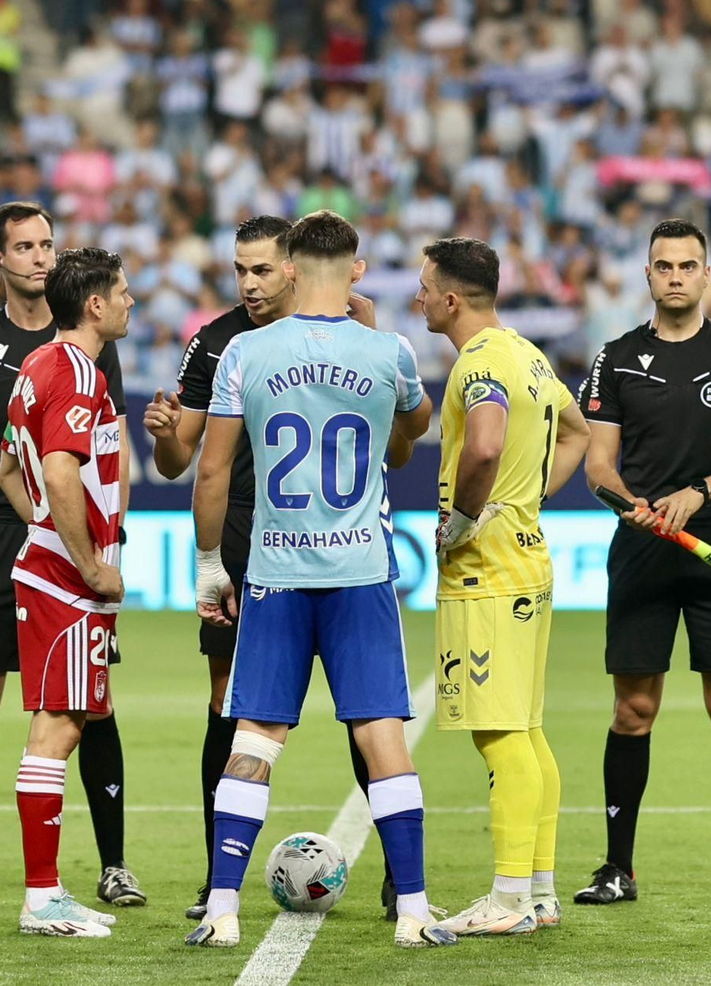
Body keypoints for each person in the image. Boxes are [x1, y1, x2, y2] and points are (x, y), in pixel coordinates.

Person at [186, 211, 451, 950]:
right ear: (357, 270)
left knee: (254, 737)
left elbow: (211, 471)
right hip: (360, 572)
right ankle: (414, 910)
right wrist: (378, 362)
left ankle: (221, 909)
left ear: (290, 269)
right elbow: (415, 425)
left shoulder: (245, 350)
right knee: (382, 737)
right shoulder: (388, 350)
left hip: (274, 571)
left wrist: (209, 566)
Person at [142, 214, 396, 921]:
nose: (249, 284)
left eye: (261, 269)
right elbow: (182, 461)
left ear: (293, 268)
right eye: (239, 270)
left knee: (363, 711)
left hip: (332, 536)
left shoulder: (351, 325)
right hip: (243, 530)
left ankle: (394, 872)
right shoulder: (217, 342)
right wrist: (164, 436)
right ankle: (215, 874)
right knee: (228, 700)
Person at [0, 202, 143, 909]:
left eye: (47, 244)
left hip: (61, 531)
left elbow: (113, 445)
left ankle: (113, 864)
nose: (41, 256)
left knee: (91, 704)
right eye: (25, 246)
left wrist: (108, 534)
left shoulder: (85, 344)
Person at [577, 219, 711, 908]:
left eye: (687, 265)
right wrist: (627, 503)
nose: (675, 276)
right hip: (642, 547)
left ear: (706, 275)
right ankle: (617, 868)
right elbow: (598, 465)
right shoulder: (615, 358)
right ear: (648, 275)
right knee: (633, 710)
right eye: (663, 265)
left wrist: (699, 492)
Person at [415, 237, 590, 936]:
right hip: (528, 561)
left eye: (425, 286)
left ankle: (510, 898)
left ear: (452, 298)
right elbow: (577, 432)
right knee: (527, 730)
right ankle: (539, 892)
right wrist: (526, 501)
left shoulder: (479, 364)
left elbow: (485, 444)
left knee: (499, 737)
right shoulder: (529, 354)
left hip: (485, 571)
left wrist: (462, 521)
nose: (419, 297)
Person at [0, 248, 134, 937]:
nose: (131, 301)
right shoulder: (78, 372)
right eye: (123, 292)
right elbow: (56, 472)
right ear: (95, 304)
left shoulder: (36, 365)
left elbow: (6, 470)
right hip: (66, 585)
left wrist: (46, 534)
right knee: (57, 730)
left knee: (64, 724)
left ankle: (45, 893)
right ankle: (42, 897)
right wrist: (85, 561)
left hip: (50, 572)